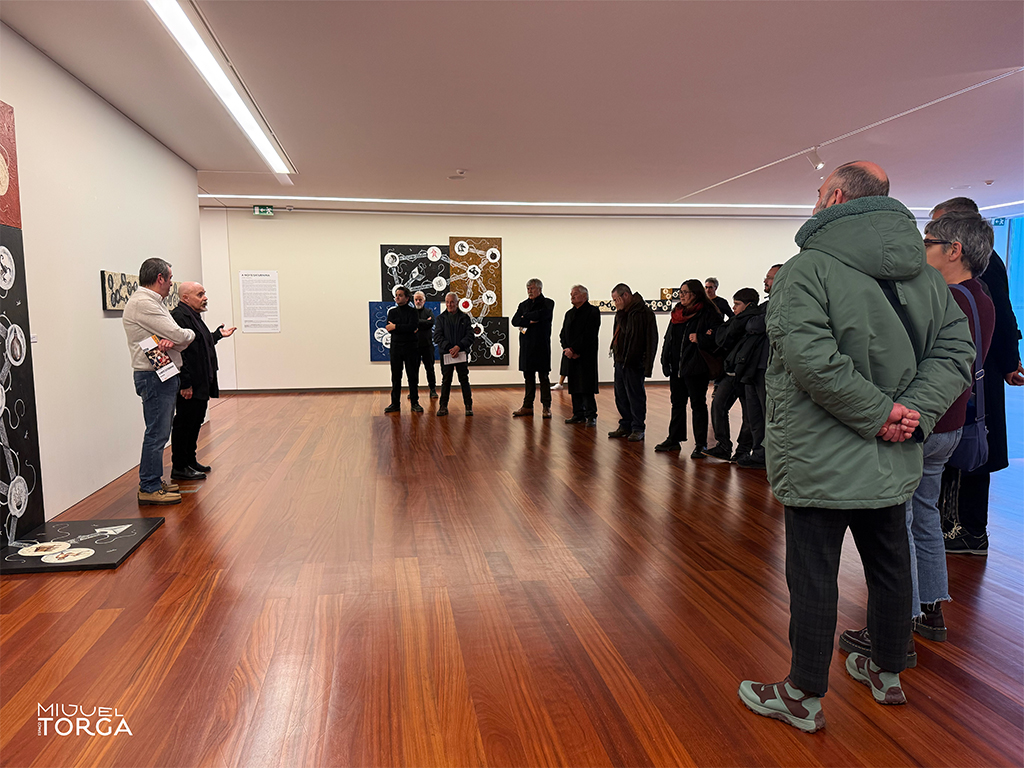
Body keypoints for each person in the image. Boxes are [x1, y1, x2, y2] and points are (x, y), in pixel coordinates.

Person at [738, 161, 974, 733]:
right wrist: (908, 414)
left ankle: (802, 694)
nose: (815, 200)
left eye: (820, 192)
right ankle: (887, 671)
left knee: (814, 574)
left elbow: (811, 361)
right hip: (893, 455)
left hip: (818, 453)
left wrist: (881, 414)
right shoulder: (926, 277)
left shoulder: (805, 269)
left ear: (837, 197)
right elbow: (956, 353)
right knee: (891, 566)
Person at [840, 211, 995, 660]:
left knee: (898, 524)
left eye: (928, 243)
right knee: (924, 515)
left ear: (953, 250)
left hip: (920, 422)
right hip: (951, 424)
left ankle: (894, 625)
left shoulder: (944, 297)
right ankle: (930, 610)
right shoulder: (981, 297)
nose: (920, 250)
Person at [930, 198, 1024, 555]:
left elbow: (1002, 315)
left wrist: (1010, 361)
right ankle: (954, 526)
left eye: (933, 237)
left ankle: (967, 529)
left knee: (968, 451)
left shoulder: (981, 270)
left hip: (976, 375)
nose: (927, 243)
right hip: (974, 372)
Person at [122, 258, 195, 505]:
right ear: (160, 278)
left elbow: (174, 337)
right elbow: (180, 334)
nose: (172, 283)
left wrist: (176, 339)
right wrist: (184, 336)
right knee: (157, 433)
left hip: (161, 373)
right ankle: (149, 486)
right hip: (154, 376)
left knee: (160, 433)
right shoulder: (144, 304)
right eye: (170, 278)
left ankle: (153, 481)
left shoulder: (153, 302)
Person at [169, 282, 236, 481]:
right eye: (200, 294)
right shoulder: (179, 317)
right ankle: (180, 466)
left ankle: (190, 461)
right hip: (191, 383)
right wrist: (185, 383)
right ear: (185, 298)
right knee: (184, 423)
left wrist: (217, 335)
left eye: (204, 293)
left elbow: (200, 345)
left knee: (195, 421)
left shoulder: (194, 316)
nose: (205, 297)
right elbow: (180, 353)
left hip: (201, 381)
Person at [656, 279, 723, 455]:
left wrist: (701, 337)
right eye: (680, 292)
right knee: (677, 403)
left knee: (697, 405)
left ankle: (701, 444)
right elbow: (669, 338)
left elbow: (718, 336)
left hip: (696, 367)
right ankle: (674, 439)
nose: (681, 296)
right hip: (676, 366)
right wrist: (665, 359)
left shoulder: (708, 312)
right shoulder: (677, 313)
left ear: (695, 294)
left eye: (685, 292)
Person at [704, 288, 762, 461]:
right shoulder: (738, 320)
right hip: (732, 371)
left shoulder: (751, 321)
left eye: (737, 304)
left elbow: (724, 336)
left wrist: (719, 334)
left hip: (745, 373)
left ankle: (742, 450)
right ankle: (724, 446)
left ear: (748, 305)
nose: (734, 308)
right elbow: (722, 337)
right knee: (719, 406)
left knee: (748, 414)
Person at [736, 264, 782, 469]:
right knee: (754, 415)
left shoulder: (783, 304)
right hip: (753, 368)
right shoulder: (766, 306)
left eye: (770, 278)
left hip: (768, 368)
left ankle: (769, 455)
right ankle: (759, 453)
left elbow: (755, 324)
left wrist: (758, 322)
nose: (765, 280)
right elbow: (749, 324)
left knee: (767, 414)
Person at [608, 283, 659, 442]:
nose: (616, 303)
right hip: (620, 360)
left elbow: (646, 337)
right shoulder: (622, 313)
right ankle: (626, 424)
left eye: (616, 299)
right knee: (620, 395)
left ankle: (638, 427)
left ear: (626, 295)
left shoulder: (642, 312)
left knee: (635, 396)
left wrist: (647, 364)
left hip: (634, 361)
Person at [511, 278, 555, 418]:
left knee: (544, 378)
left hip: (541, 346)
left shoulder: (548, 303)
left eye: (532, 288)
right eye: (528, 289)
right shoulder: (523, 304)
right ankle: (527, 406)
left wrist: (525, 317)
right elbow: (515, 321)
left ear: (540, 289)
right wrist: (530, 320)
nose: (529, 291)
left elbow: (543, 315)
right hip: (526, 346)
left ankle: (546, 406)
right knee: (528, 378)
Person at [559, 284, 601, 426]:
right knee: (574, 385)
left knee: (586, 386)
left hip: (586, 355)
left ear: (584, 296)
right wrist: (567, 349)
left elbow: (589, 334)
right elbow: (563, 334)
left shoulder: (592, 312)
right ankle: (578, 414)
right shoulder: (569, 314)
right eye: (571, 294)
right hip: (571, 355)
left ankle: (591, 415)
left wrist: (575, 350)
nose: (572, 296)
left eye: (575, 293)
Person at [432, 292, 474, 416]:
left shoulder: (465, 318)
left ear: (457, 302)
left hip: (461, 354)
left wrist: (459, 346)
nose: (449, 304)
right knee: (446, 381)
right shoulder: (440, 318)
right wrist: (450, 348)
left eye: (452, 302)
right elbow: (437, 337)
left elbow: (470, 336)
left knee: (464, 380)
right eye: (447, 302)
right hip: (447, 354)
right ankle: (443, 406)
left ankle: (468, 406)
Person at [384, 286, 421, 414]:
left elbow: (412, 327)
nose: (397, 297)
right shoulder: (392, 312)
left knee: (412, 376)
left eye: (400, 295)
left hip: (411, 348)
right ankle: (395, 403)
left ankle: (415, 403)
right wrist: (401, 328)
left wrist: (396, 327)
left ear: (407, 298)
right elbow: (389, 328)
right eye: (396, 295)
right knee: (395, 377)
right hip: (396, 348)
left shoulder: (413, 312)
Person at [412, 291, 438, 400]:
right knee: (413, 370)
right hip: (414, 346)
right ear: (413, 301)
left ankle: (433, 390)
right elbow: (411, 324)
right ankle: (413, 391)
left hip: (427, 346)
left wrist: (417, 323)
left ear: (424, 301)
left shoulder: (429, 312)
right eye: (416, 299)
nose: (418, 301)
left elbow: (431, 323)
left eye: (420, 299)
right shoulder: (411, 313)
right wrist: (424, 322)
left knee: (430, 369)